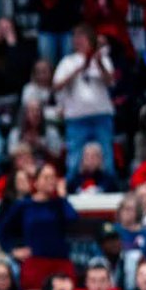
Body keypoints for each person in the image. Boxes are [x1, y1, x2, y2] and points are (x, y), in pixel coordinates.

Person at [0, 162, 77, 290]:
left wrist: (63, 198)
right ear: (36, 182)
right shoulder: (24, 205)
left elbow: (73, 221)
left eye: (53, 177)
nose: (50, 181)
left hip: (61, 262)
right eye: (46, 177)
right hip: (35, 264)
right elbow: (1, 230)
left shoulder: (60, 204)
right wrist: (12, 250)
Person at [52, 23, 116, 181]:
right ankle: (72, 188)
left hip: (101, 115)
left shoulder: (103, 60)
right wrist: (78, 70)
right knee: (74, 159)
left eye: (82, 37)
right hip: (76, 118)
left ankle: (110, 187)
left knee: (107, 156)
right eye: (76, 37)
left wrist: (98, 62)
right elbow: (56, 86)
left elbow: (111, 82)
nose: (78, 41)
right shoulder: (67, 62)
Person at [7, 100, 63, 167]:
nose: (35, 114)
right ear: (25, 114)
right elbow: (11, 155)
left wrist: (41, 146)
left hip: (44, 169)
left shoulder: (51, 132)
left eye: (38, 110)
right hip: (22, 169)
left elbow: (57, 156)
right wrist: (24, 145)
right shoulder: (16, 132)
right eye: (31, 111)